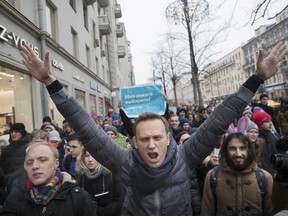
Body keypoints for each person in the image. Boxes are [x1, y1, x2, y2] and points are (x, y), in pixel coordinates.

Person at [20, 41, 288, 215]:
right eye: (144, 138)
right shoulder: (123, 162)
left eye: (157, 137)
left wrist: (256, 80)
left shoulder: (185, 157)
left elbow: (219, 118)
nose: (151, 144)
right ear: (133, 142)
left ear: (168, 140)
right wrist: (51, 82)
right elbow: (85, 127)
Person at [0, 142, 96, 215]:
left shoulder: (79, 198)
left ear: (56, 163)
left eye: (42, 160)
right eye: (29, 162)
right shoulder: (14, 201)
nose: (34, 166)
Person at [201, 132, 273, 216]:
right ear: (225, 151)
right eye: (232, 148)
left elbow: (271, 211)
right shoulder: (213, 176)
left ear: (249, 150)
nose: (238, 154)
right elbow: (207, 211)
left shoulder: (265, 177)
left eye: (242, 148)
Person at [76, 148, 120, 216]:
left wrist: (97, 211)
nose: (90, 160)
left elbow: (118, 202)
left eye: (94, 155)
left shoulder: (111, 174)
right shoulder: (80, 177)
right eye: (86, 156)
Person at [0, 123, 31, 194]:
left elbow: (28, 166)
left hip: (25, 182)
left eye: (16, 132)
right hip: (9, 185)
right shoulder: (6, 150)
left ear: (22, 133)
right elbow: (3, 166)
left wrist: (11, 177)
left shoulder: (29, 147)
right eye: (11, 132)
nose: (13, 134)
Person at [253, 110, 280, 176]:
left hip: (275, 170)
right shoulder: (256, 138)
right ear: (259, 123)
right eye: (267, 121)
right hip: (265, 172)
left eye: (270, 120)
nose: (271, 123)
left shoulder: (274, 135)